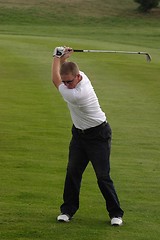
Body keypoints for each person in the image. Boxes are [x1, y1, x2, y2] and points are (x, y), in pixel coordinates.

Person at [51, 46, 124, 226]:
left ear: (78, 77)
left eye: (69, 82)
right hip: (79, 135)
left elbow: (55, 79)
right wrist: (64, 59)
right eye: (65, 82)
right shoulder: (78, 75)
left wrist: (56, 57)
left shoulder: (78, 94)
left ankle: (116, 213)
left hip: (98, 135)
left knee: (102, 176)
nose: (66, 84)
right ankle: (67, 210)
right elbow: (65, 71)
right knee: (73, 172)